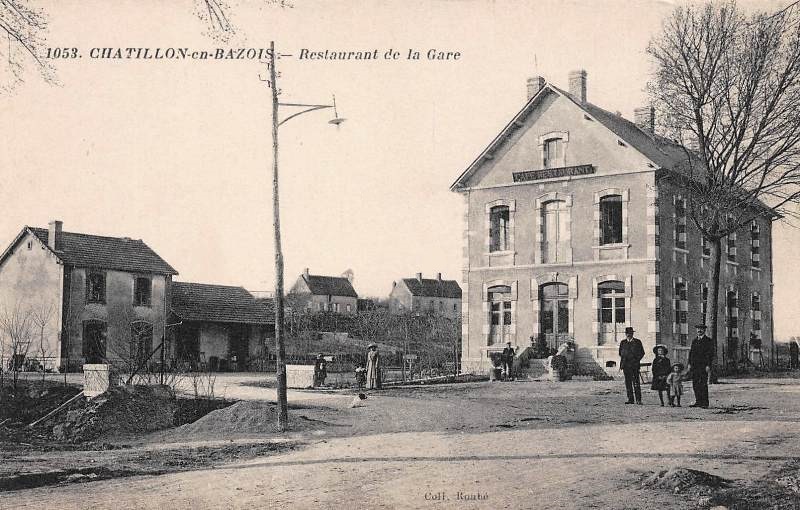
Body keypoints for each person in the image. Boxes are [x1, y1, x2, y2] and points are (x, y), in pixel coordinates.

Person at [687, 324, 714, 408]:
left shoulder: (708, 341)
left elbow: (710, 354)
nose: (699, 330)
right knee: (695, 384)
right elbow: (691, 353)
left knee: (703, 383)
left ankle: (705, 403)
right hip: (695, 366)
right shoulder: (694, 341)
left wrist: (708, 365)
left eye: (701, 329)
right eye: (698, 329)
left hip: (703, 366)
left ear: (704, 330)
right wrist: (689, 363)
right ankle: (698, 401)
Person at [619, 326, 645, 404]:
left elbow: (642, 353)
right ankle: (630, 399)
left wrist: (636, 360)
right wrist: (624, 360)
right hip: (626, 366)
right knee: (628, 383)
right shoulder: (623, 342)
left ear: (632, 333)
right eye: (627, 333)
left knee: (636, 383)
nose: (629, 335)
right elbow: (620, 353)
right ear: (625, 334)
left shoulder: (637, 342)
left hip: (634, 366)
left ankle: (638, 400)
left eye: (630, 333)